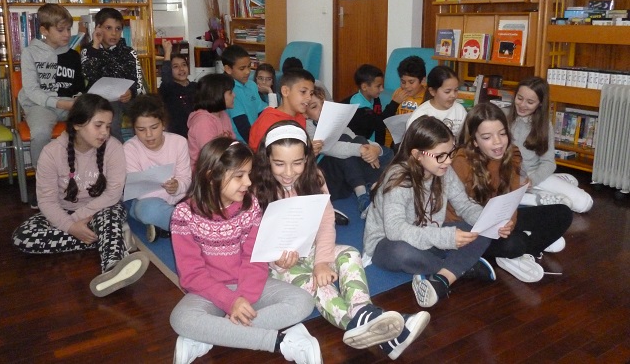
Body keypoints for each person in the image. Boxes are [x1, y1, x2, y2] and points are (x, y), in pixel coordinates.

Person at [252, 121, 430, 360]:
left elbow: (326, 221)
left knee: (350, 253)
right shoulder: (255, 189)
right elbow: (253, 239)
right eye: (279, 163)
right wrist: (277, 261)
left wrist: (322, 261)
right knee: (318, 284)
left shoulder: (314, 177)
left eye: (297, 163)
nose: (289, 172)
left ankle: (364, 314)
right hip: (277, 263)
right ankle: (375, 328)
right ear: (267, 159)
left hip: (310, 248)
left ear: (307, 158)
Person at [169, 136, 322, 364]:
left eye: (249, 174)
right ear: (211, 176)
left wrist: (242, 299)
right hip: (208, 291)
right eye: (239, 176)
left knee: (303, 301)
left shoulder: (250, 206)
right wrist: (230, 301)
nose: (248, 182)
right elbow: (192, 274)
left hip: (250, 286)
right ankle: (282, 341)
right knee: (181, 319)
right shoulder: (184, 215)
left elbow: (255, 259)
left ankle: (208, 335)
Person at [12, 94, 149, 297]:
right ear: (77, 124)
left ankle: (112, 267)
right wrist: (70, 226)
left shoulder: (113, 148)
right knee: (22, 237)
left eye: (108, 126)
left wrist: (77, 220)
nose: (105, 132)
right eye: (98, 125)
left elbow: (113, 193)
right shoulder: (51, 153)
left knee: (111, 212)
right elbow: (46, 201)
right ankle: (109, 239)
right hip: (66, 212)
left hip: (102, 210)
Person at [363, 116, 494, 308]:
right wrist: (446, 238)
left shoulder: (444, 171)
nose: (448, 161)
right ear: (417, 155)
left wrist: (491, 220)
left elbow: (465, 206)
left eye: (451, 153)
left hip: (428, 236)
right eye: (440, 156)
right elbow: (395, 230)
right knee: (402, 252)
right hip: (388, 243)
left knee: (483, 228)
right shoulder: (398, 178)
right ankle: (463, 267)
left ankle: (444, 277)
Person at [452, 102, 573, 282]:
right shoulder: (461, 161)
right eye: (487, 137)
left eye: (502, 134)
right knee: (515, 243)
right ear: (474, 141)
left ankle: (520, 253)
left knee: (563, 213)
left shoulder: (512, 155)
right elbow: (458, 214)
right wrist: (498, 227)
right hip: (472, 229)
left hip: (500, 221)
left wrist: (510, 223)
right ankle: (516, 251)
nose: (498, 142)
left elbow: (512, 199)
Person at [509, 77, 593, 213]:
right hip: (508, 176)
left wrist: (532, 180)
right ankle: (537, 197)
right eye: (519, 98)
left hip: (532, 174)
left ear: (540, 103)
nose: (522, 105)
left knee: (584, 203)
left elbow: (548, 162)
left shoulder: (544, 126)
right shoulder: (503, 117)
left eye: (530, 102)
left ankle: (545, 187)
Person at [305, 85, 393, 215]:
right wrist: (361, 149)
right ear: (305, 113)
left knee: (362, 141)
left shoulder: (333, 122)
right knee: (345, 143)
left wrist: (375, 149)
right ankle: (364, 192)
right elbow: (330, 148)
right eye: (314, 107)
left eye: (324, 105)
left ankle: (374, 187)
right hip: (326, 179)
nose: (322, 110)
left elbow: (355, 138)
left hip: (345, 176)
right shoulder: (308, 128)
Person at [17, 4, 85, 171]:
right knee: (40, 132)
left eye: (68, 29)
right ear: (44, 30)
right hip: (40, 105)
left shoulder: (73, 55)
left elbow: (78, 86)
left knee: (93, 123)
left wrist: (78, 100)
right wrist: (60, 103)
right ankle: (42, 175)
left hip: (69, 105)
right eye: (61, 30)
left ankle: (84, 171)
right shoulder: (30, 53)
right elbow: (31, 90)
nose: (67, 34)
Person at [123, 94, 192, 242]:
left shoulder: (179, 142)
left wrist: (177, 186)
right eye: (141, 129)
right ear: (134, 129)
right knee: (145, 210)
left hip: (181, 200)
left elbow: (186, 178)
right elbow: (139, 192)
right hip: (149, 202)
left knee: (203, 197)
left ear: (163, 124)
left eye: (154, 127)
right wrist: (169, 195)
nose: (149, 135)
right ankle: (190, 228)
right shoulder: (129, 149)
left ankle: (169, 226)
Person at [80, 7, 143, 142]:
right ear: (98, 28)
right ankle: (117, 152)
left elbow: (138, 80)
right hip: (100, 100)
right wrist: (95, 46)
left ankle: (142, 151)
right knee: (112, 122)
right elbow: (88, 74)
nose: (114, 33)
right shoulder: (88, 51)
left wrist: (131, 92)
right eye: (108, 28)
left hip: (125, 97)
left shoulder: (129, 52)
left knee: (147, 115)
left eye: (118, 29)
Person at [248, 68, 320, 152]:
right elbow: (260, 156)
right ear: (285, 91)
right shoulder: (268, 121)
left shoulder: (301, 119)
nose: (309, 98)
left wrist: (309, 151)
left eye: (311, 93)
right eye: (303, 92)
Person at [186, 73, 235, 167]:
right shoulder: (203, 122)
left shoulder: (223, 114)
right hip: (206, 171)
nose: (234, 95)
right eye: (230, 92)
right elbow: (211, 156)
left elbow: (232, 144)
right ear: (217, 95)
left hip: (223, 166)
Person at [222, 44, 267, 143]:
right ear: (228, 69)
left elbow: (262, 112)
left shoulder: (252, 85)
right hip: (241, 142)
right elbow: (241, 124)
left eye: (249, 67)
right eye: (242, 69)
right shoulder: (229, 90)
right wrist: (255, 144)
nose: (247, 72)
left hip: (256, 137)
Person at [406, 65, 466, 139]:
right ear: (432, 91)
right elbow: (411, 142)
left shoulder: (460, 110)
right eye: (447, 91)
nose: (453, 95)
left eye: (456, 90)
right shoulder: (421, 115)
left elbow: (465, 137)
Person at [343, 64, 397, 145]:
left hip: (375, 145)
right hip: (360, 146)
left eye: (382, 85)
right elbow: (380, 123)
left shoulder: (375, 98)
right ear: (364, 87)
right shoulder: (358, 107)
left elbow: (379, 125)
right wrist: (395, 103)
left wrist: (380, 146)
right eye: (378, 86)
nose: (382, 89)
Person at [383, 55, 427, 147]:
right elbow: (389, 124)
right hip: (399, 141)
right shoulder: (398, 93)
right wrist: (386, 146)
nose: (406, 86)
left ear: (423, 80)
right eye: (403, 82)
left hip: (419, 142)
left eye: (411, 82)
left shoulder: (428, 96)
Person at [158, 39, 198, 138]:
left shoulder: (196, 87)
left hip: (196, 133)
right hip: (177, 135)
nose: (181, 69)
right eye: (175, 66)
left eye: (184, 65)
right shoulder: (168, 88)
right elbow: (166, 78)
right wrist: (167, 53)